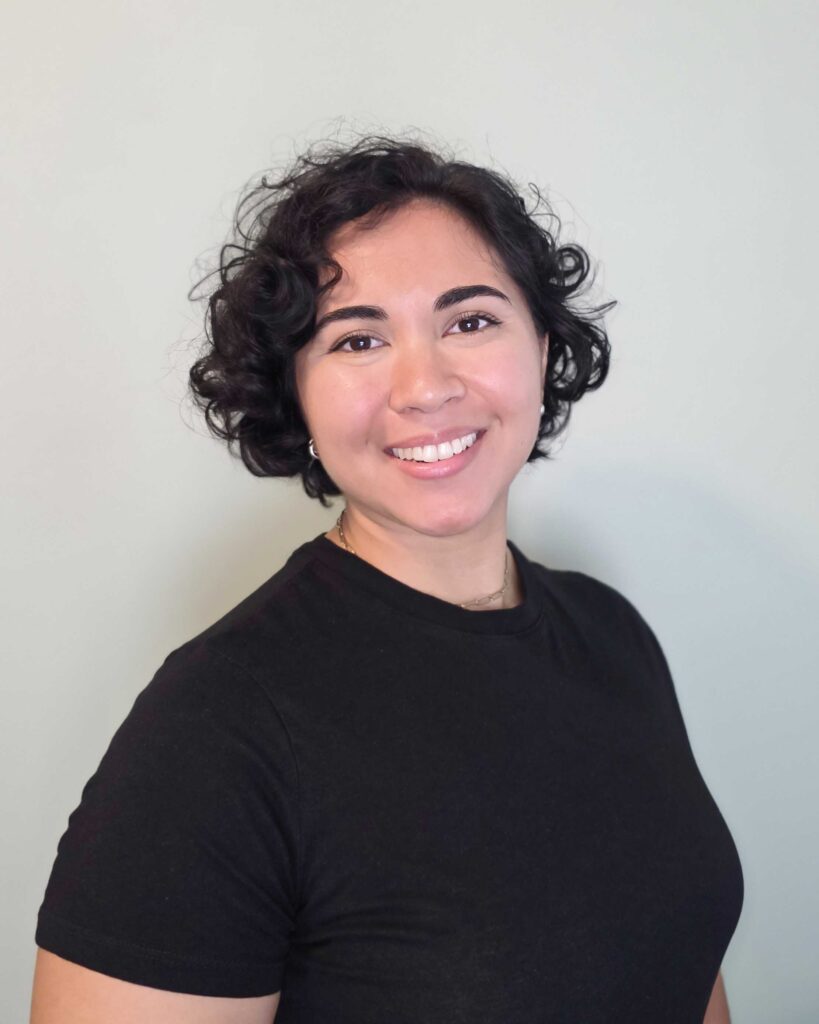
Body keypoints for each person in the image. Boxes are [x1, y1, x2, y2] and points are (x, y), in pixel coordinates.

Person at [30, 134, 743, 1024]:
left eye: (470, 321)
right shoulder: (217, 730)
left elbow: (681, 969)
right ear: (294, 391)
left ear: (542, 342)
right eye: (358, 339)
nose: (424, 385)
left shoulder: (611, 634)